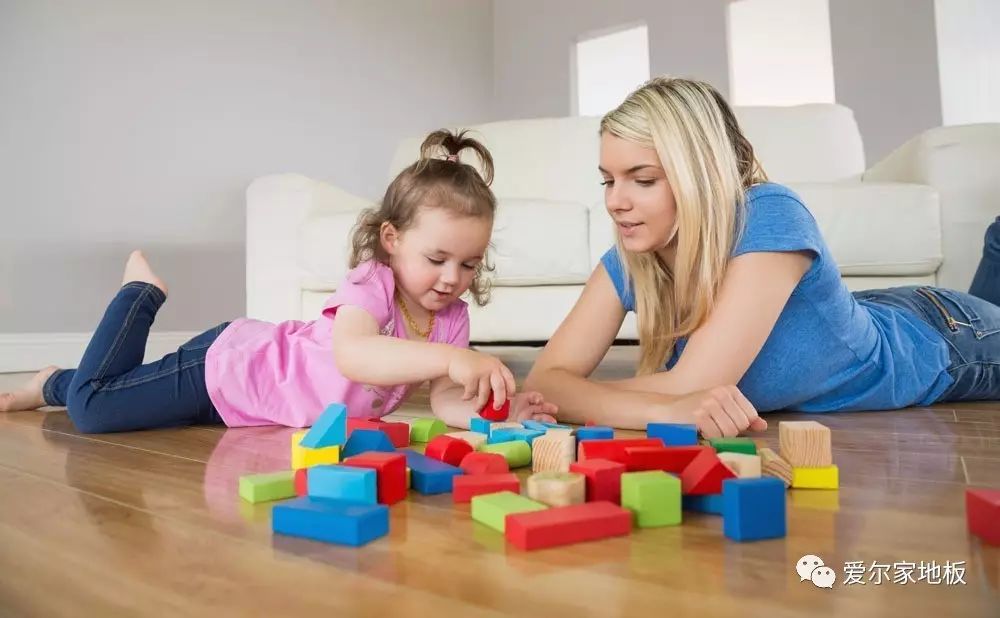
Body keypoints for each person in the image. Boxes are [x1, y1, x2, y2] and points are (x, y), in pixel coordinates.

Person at [524, 76, 1000, 438]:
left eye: (642, 179)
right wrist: (661, 407)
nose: (615, 201)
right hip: (866, 316)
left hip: (946, 340)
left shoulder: (767, 214)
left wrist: (643, 402)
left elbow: (692, 385)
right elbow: (546, 382)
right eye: (608, 180)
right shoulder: (631, 256)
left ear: (701, 175)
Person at [1, 130, 557, 433]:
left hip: (243, 410)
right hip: (229, 367)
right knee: (96, 411)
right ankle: (138, 295)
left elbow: (444, 405)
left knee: (116, 397)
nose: (451, 278)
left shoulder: (452, 320)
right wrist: (450, 361)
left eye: (469, 264)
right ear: (391, 239)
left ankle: (54, 379)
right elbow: (356, 356)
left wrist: (497, 417)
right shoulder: (372, 282)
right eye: (437, 258)